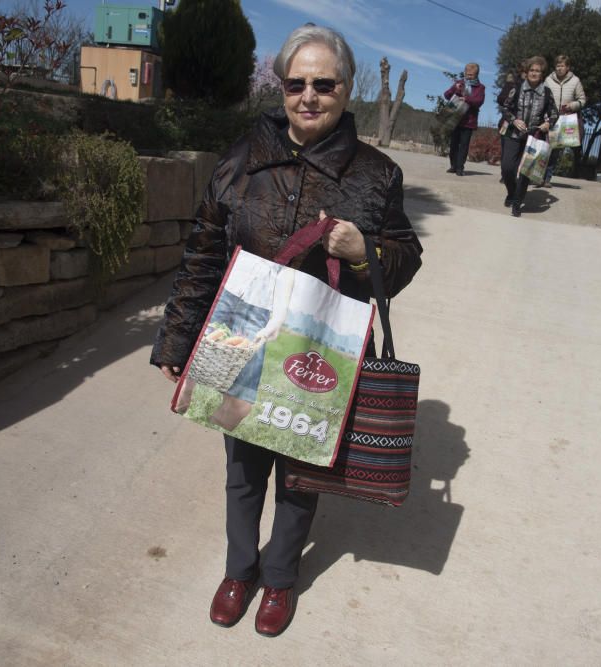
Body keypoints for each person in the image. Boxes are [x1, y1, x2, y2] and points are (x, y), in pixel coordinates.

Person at [150, 24, 423, 638]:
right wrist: (177, 339)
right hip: (240, 332)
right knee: (242, 466)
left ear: (345, 89)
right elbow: (202, 253)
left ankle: (279, 579)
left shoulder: (377, 175)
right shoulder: (243, 155)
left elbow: (405, 259)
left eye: (322, 84)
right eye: (295, 83)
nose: (308, 96)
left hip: (316, 343)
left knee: (301, 470)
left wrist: (364, 251)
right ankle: (238, 571)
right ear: (281, 87)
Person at [499, 56, 558, 217]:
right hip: (513, 133)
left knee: (526, 171)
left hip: (534, 136)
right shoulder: (517, 88)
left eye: (537, 71)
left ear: (542, 74)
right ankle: (511, 192)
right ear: (527, 72)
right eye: (532, 70)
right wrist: (514, 120)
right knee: (507, 168)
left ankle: (517, 202)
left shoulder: (546, 92)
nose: (534, 73)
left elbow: (554, 113)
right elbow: (505, 108)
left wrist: (548, 124)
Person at [542, 55, 587, 187]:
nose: (559, 68)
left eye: (562, 66)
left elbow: (582, 100)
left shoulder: (575, 81)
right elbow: (542, 96)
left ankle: (547, 179)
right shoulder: (548, 80)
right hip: (548, 117)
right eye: (557, 66)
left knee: (555, 150)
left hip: (565, 118)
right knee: (544, 147)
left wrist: (573, 105)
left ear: (568, 67)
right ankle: (537, 175)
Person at [442, 62, 485, 176]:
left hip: (469, 121)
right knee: (454, 144)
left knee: (464, 146)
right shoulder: (459, 83)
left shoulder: (480, 88)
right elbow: (446, 95)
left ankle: (460, 167)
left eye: (471, 75)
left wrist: (466, 99)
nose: (468, 76)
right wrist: (455, 90)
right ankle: (453, 165)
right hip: (455, 119)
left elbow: (478, 102)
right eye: (467, 73)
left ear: (477, 75)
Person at [496, 71, 519, 183]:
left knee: (518, 152)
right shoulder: (510, 85)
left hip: (523, 124)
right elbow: (500, 99)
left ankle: (513, 175)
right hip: (507, 122)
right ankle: (504, 174)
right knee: (505, 149)